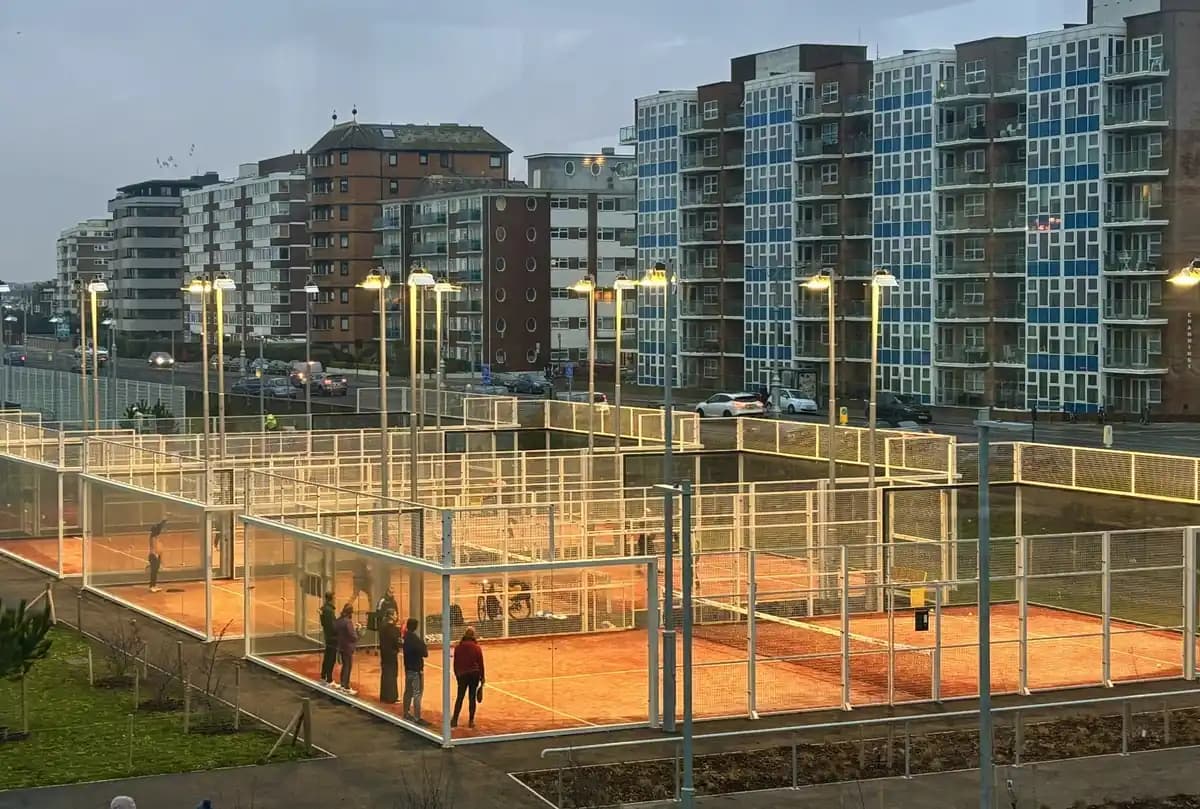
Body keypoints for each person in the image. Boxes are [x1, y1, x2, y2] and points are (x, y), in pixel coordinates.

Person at [451, 626, 485, 729]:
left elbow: (455, 663)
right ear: (473, 635)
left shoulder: (458, 647)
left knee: (460, 697)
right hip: (474, 674)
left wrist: (457, 675)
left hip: (462, 675)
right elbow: (481, 664)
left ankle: (454, 720)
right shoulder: (477, 647)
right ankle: (471, 721)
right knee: (472, 698)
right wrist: (482, 677)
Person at [402, 617, 429, 724]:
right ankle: (417, 717)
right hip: (416, 670)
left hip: (408, 668)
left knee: (408, 691)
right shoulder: (416, 640)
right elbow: (425, 653)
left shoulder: (406, 637)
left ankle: (406, 713)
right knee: (417, 693)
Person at [334, 603, 359, 695]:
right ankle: (346, 687)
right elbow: (352, 636)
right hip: (348, 647)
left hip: (341, 646)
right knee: (348, 666)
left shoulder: (339, 620)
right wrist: (358, 632)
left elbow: (336, 630)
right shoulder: (348, 622)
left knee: (345, 666)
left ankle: (342, 685)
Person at [378, 611, 401, 704]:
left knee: (385, 674)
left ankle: (384, 696)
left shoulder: (382, 627)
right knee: (392, 675)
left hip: (384, 653)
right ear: (391, 616)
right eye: (395, 614)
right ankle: (392, 697)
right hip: (391, 654)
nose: (396, 616)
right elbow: (397, 642)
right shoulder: (394, 629)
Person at [319, 592, 338, 687]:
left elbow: (323, 623)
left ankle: (323, 676)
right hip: (332, 638)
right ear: (331, 599)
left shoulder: (324, 609)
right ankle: (329, 679)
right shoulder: (329, 611)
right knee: (331, 658)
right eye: (334, 597)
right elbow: (332, 626)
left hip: (328, 636)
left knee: (327, 657)